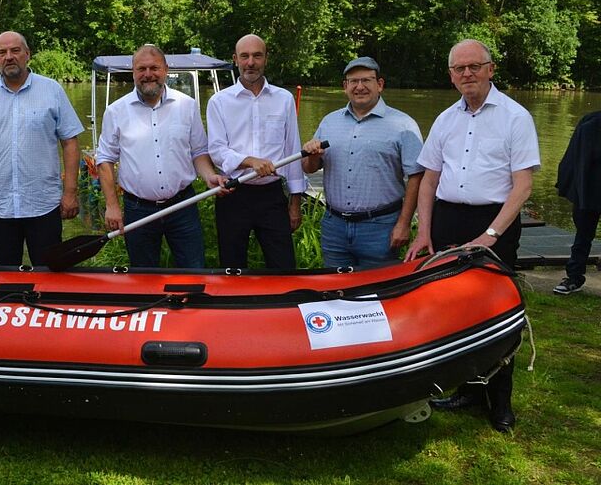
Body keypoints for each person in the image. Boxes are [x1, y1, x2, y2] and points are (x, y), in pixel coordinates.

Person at [404, 39, 540, 432]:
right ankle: (466, 388)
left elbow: (523, 186)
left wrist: (492, 234)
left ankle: (500, 402)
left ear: (490, 69)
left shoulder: (516, 117)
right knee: (453, 309)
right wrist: (423, 231)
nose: (467, 74)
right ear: (451, 75)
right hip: (448, 220)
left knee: (497, 311)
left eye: (474, 66)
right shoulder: (446, 119)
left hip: (494, 223)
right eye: (459, 69)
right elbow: (428, 180)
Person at [0, 31, 83, 266]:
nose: (9, 57)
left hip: (44, 204)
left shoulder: (52, 91)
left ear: (27, 55)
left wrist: (70, 192)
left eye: (15, 51)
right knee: (5, 274)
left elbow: (70, 142)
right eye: (2, 52)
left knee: (49, 274)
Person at [96, 44, 225, 269]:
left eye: (154, 67)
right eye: (141, 69)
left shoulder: (187, 105)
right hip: (138, 209)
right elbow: (105, 159)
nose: (148, 74)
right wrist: (112, 205)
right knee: (143, 277)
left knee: (194, 271)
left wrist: (209, 176)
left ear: (165, 69)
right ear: (133, 72)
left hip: (183, 205)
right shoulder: (115, 111)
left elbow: (199, 152)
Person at [302, 57, 424, 269]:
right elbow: (310, 168)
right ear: (345, 86)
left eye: (366, 80)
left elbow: (417, 177)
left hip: (381, 227)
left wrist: (404, 223)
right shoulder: (329, 121)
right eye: (353, 81)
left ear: (380, 84)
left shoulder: (403, 125)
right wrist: (311, 155)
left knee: (377, 293)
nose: (360, 87)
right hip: (334, 226)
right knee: (335, 290)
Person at [206, 34, 306, 269]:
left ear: (266, 59)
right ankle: (233, 305)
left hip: (271, 196)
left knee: (284, 265)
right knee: (231, 267)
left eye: (257, 55)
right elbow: (217, 150)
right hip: (233, 195)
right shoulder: (219, 102)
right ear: (235, 60)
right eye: (245, 56)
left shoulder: (284, 99)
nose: (251, 62)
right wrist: (249, 161)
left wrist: (295, 203)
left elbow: (292, 149)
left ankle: (283, 304)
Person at [553, 110, 601, 294]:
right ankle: (574, 277)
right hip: (587, 189)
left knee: (582, 236)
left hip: (587, 188)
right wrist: (570, 184)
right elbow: (573, 157)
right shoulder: (590, 122)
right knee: (582, 236)